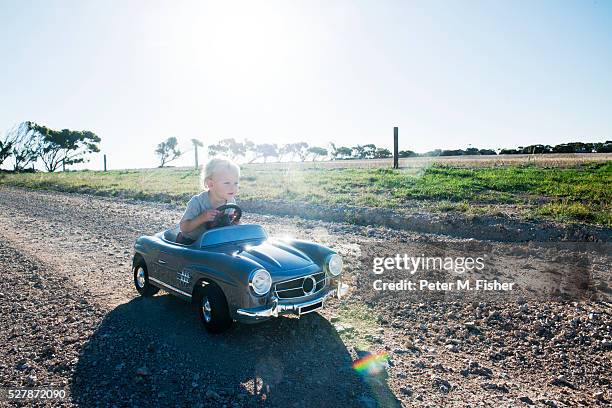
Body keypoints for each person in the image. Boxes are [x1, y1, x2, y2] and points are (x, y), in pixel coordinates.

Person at [177, 157, 240, 244]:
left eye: (235, 183)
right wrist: (202, 218)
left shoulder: (231, 201)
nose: (233, 187)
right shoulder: (197, 202)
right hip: (190, 243)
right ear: (210, 184)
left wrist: (234, 223)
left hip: (212, 242)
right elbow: (184, 228)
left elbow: (226, 225)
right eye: (227, 183)